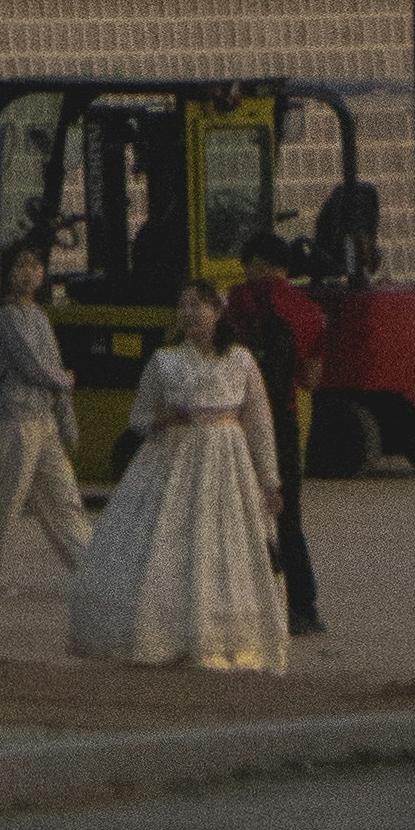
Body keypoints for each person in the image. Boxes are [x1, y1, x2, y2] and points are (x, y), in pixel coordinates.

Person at [65, 280, 288, 674]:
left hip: (227, 463)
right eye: (183, 306)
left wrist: (269, 478)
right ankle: (165, 634)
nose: (189, 313)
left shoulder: (241, 361)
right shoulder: (164, 361)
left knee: (223, 547)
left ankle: (225, 637)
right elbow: (139, 417)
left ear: (216, 311)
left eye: (197, 305)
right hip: (174, 460)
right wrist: (167, 420)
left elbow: (258, 423)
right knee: (170, 542)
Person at [0, 243, 88, 596]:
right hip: (15, 419)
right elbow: (32, 365)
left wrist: (67, 420)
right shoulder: (7, 318)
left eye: (35, 265)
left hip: (44, 420)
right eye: (21, 266)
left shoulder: (40, 316)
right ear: (7, 273)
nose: (29, 273)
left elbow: (51, 369)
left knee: (64, 497)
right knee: (5, 499)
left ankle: (92, 569)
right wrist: (65, 380)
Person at [219, 241, 326, 642]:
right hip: (283, 419)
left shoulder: (239, 299)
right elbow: (311, 380)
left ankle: (243, 601)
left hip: (235, 417)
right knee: (286, 513)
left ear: (258, 263)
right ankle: (302, 607)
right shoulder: (310, 310)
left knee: (234, 509)